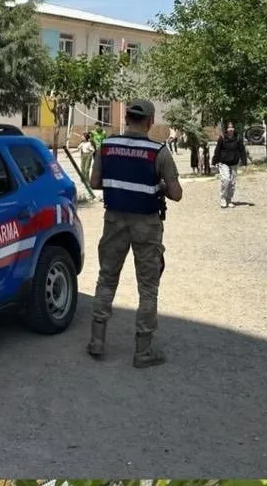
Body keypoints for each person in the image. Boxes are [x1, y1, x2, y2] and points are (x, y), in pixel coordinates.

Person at [87, 99, 183, 368]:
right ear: (150, 122)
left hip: (114, 221)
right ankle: (143, 351)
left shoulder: (106, 147)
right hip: (146, 225)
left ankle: (97, 340)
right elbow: (176, 194)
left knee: (107, 278)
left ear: (127, 118)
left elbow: (95, 182)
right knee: (148, 287)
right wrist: (160, 186)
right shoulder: (159, 152)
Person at [211, 122, 248, 208]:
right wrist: (213, 162)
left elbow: (242, 150)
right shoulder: (222, 138)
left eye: (232, 127)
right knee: (226, 179)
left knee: (232, 183)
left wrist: (244, 163)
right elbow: (217, 151)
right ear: (226, 129)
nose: (230, 129)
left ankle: (229, 199)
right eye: (229, 128)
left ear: (234, 129)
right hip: (223, 162)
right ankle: (223, 199)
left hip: (234, 163)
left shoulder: (238, 138)